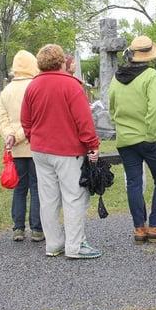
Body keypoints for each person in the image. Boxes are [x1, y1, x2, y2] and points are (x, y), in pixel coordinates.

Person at [21, 44, 101, 259]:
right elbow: (84, 121)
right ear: (61, 61)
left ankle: (54, 243)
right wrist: (92, 145)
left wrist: (33, 138)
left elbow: (26, 121)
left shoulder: (33, 86)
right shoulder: (70, 85)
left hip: (40, 149)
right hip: (66, 149)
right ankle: (75, 246)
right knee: (74, 197)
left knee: (48, 198)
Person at [109, 35, 156, 243]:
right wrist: (152, 134)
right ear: (149, 55)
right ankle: (155, 226)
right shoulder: (151, 76)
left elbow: (112, 109)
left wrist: (122, 127)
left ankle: (139, 228)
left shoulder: (116, 77)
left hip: (125, 139)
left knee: (134, 183)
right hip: (148, 138)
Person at [0, 50, 44, 242]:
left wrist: (10, 135)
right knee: (37, 187)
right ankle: (37, 228)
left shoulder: (6, 90)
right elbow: (35, 118)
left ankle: (18, 228)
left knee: (19, 187)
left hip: (14, 148)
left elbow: (1, 117)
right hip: (34, 145)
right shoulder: (35, 86)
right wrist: (19, 135)